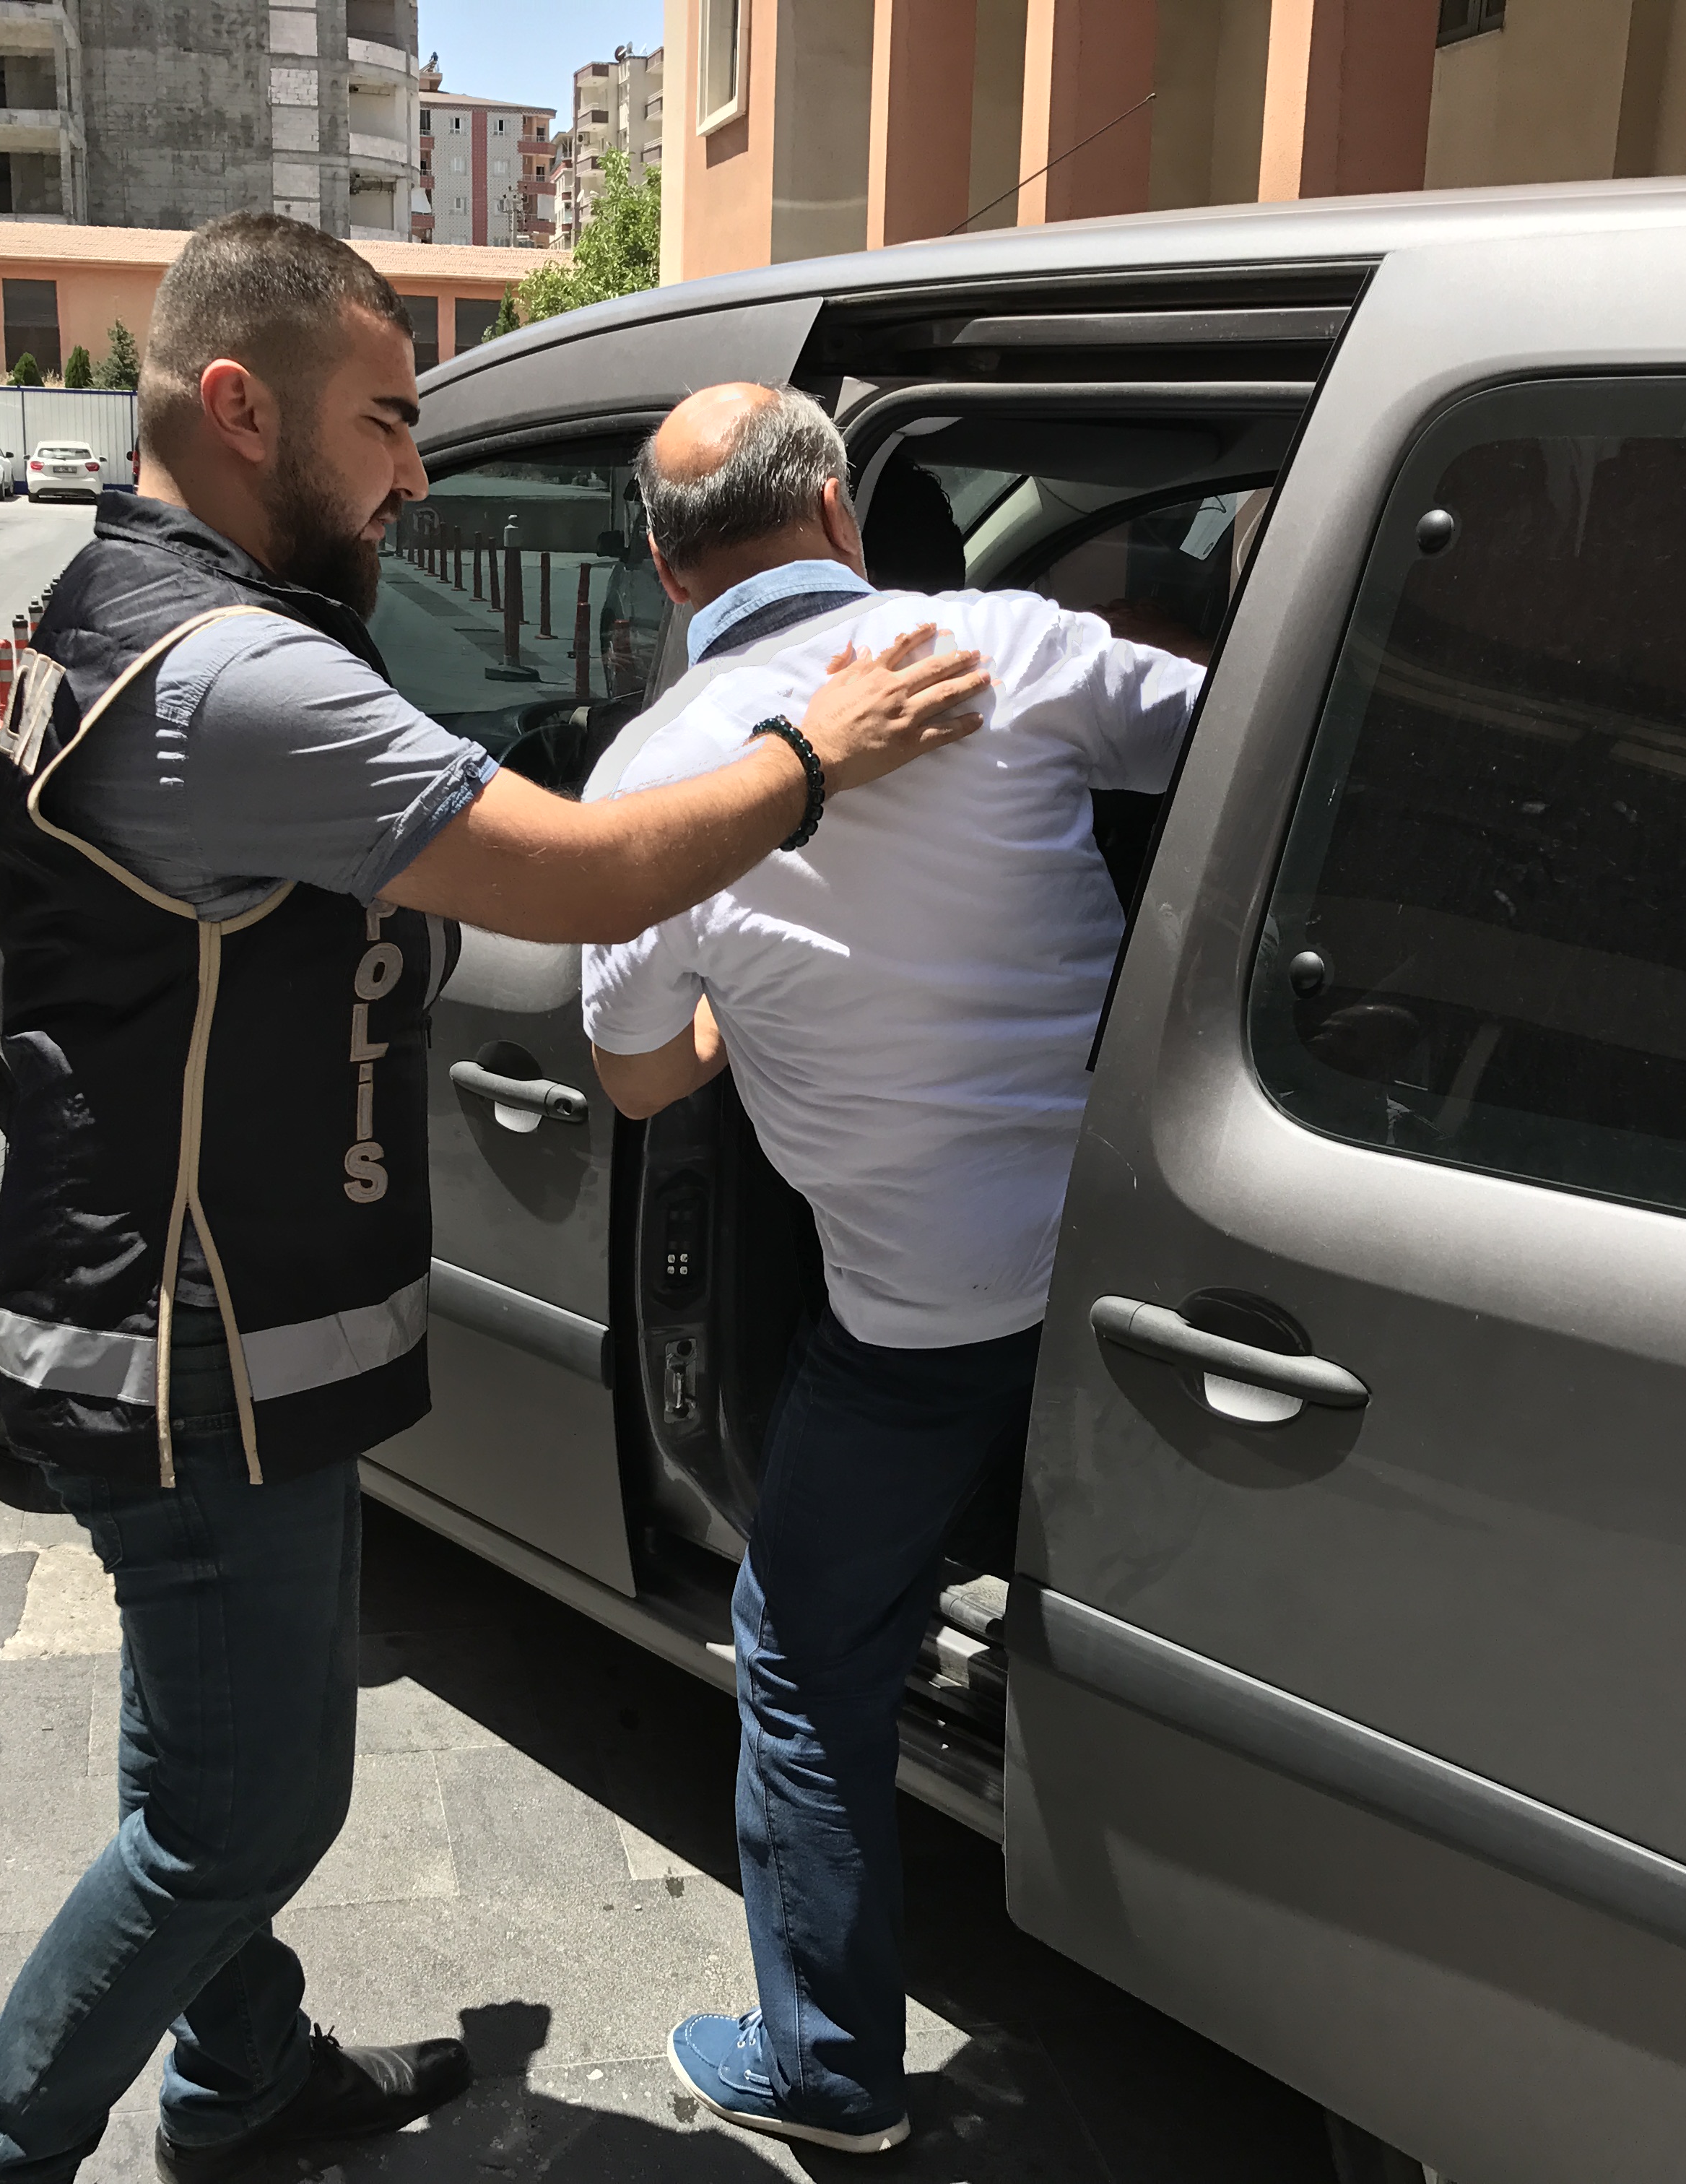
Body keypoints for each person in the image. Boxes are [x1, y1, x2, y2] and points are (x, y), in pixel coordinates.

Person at [0, 220, 990, 2184]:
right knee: (240, 1816)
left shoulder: (134, 600)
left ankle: (240, 2078)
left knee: (199, 1746)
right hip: (194, 1340)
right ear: (240, 408)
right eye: (387, 422)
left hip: (172, 1302)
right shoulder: (237, 675)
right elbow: (579, 872)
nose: (414, 473)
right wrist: (811, 755)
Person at [581, 383, 1208, 2156]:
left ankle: (829, 2069)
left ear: (664, 567)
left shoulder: (656, 775)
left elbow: (639, 1078)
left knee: (798, 1647)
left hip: (921, 1322)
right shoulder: (1005, 643)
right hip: (1132, 1275)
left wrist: (739, 1009)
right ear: (842, 512)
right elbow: (1242, 746)